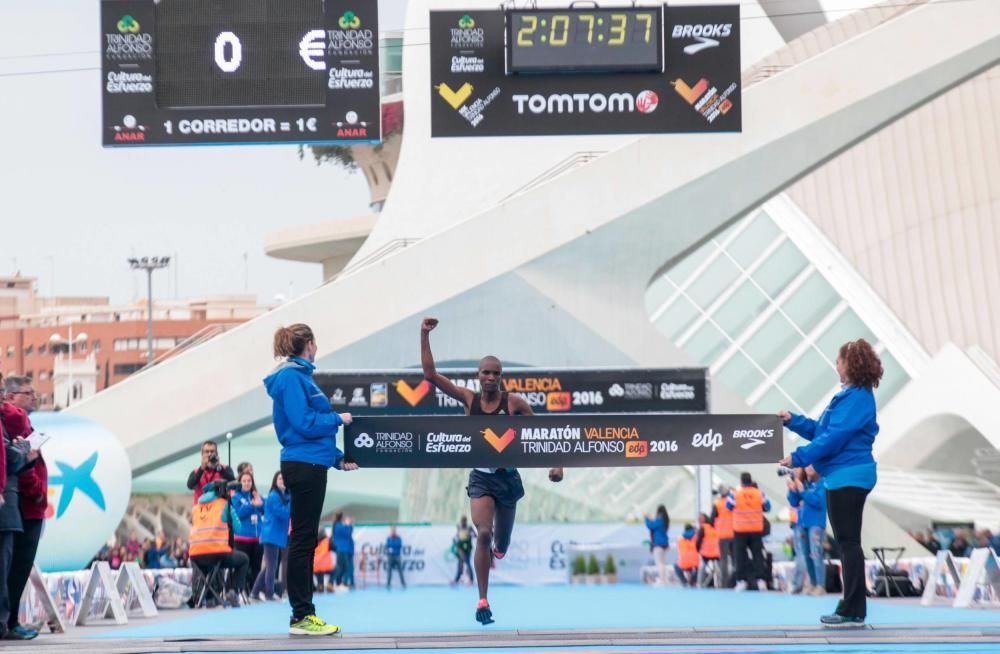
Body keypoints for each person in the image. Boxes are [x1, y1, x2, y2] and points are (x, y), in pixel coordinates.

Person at [421, 317, 563, 625]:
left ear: (501, 377)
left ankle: (500, 549)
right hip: (481, 479)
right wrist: (424, 334)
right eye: (486, 372)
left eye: (496, 373)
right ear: (478, 375)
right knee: (482, 534)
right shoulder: (468, 399)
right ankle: (482, 600)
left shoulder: (514, 403)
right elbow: (430, 375)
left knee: (501, 544)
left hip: (508, 480)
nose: (490, 377)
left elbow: (546, 432)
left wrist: (556, 464)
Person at [779, 337, 883, 627]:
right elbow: (822, 431)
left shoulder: (856, 398)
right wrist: (793, 421)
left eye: (838, 359)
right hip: (847, 473)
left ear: (850, 363)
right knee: (848, 542)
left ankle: (852, 609)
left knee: (848, 543)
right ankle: (853, 607)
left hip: (847, 474)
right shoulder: (852, 396)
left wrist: (798, 458)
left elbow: (833, 438)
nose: (835, 364)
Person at [265, 323, 356, 636]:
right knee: (303, 541)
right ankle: (302, 615)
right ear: (310, 344)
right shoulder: (292, 377)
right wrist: (337, 419)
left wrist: (337, 459)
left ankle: (302, 615)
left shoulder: (302, 377)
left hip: (311, 462)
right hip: (302, 465)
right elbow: (303, 423)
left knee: (304, 539)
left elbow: (308, 432)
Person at [2, 376, 46, 640]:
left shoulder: (21, 422)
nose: (33, 397)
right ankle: (9, 621)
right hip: (24, 502)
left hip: (29, 504)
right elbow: (14, 461)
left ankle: (10, 619)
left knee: (18, 567)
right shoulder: (13, 419)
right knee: (14, 568)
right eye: (27, 393)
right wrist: (36, 492)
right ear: (11, 396)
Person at [188, 481, 249, 608]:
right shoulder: (223, 505)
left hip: (195, 556)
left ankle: (210, 598)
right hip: (217, 553)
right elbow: (239, 529)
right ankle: (234, 591)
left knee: (210, 566)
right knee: (243, 559)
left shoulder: (195, 508)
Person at [727, 472, 771, 592]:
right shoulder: (759, 493)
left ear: (741, 482)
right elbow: (767, 507)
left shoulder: (735, 493)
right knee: (758, 555)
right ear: (751, 481)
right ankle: (761, 581)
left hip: (740, 530)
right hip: (756, 530)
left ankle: (741, 581)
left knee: (740, 556)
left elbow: (728, 507)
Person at [787, 466, 827, 596]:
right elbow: (794, 502)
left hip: (816, 523)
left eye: (812, 465)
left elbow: (818, 502)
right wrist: (793, 490)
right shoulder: (806, 484)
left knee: (816, 554)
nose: (808, 468)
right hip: (803, 523)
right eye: (807, 466)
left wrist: (803, 492)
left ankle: (821, 585)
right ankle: (813, 583)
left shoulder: (822, 483)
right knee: (806, 555)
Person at [252, 471, 291, 601]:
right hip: (271, 535)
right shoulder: (274, 496)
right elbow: (284, 513)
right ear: (275, 481)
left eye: (284, 478)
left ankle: (255, 592)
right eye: (280, 478)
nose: (282, 480)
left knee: (269, 565)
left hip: (275, 535)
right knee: (272, 566)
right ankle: (269, 594)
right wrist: (293, 503)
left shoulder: (284, 496)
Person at [232, 472, 265, 593]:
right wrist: (252, 505)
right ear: (240, 483)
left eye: (249, 481)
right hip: (242, 539)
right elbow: (238, 514)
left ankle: (255, 592)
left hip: (257, 539)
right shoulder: (235, 497)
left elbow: (264, 510)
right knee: (242, 567)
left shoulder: (256, 496)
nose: (247, 483)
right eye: (244, 481)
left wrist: (261, 503)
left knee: (256, 567)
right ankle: (240, 591)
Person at [711, 484, 735, 588]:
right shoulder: (734, 502)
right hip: (735, 534)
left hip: (722, 535)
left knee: (724, 560)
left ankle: (724, 584)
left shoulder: (717, 504)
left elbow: (711, 520)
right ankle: (735, 581)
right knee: (735, 559)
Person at [644, 505, 670, 586]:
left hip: (659, 544)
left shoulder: (660, 519)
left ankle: (663, 580)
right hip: (665, 544)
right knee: (662, 563)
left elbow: (650, 526)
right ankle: (664, 579)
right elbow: (655, 525)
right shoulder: (665, 520)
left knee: (659, 563)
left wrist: (646, 519)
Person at [696, 513, 721, 588]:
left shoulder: (703, 527)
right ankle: (721, 582)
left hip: (706, 553)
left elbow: (698, 541)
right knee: (719, 568)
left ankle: (699, 583)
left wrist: (698, 550)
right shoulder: (717, 526)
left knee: (702, 566)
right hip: (717, 553)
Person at [332, 513, 355, 590]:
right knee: (346, 568)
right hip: (343, 550)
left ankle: (337, 583)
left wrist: (348, 524)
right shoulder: (339, 526)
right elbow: (348, 533)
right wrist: (349, 525)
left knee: (342, 567)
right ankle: (340, 583)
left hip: (343, 550)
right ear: (341, 518)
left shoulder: (337, 526)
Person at [452, 516, 475, 585]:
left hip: (468, 547)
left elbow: (475, 535)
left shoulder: (469, 528)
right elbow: (457, 536)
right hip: (461, 547)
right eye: (462, 521)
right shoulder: (459, 527)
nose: (463, 522)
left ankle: (471, 579)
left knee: (467, 562)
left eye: (464, 521)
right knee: (460, 563)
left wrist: (470, 534)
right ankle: (457, 579)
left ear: (466, 521)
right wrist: (454, 539)